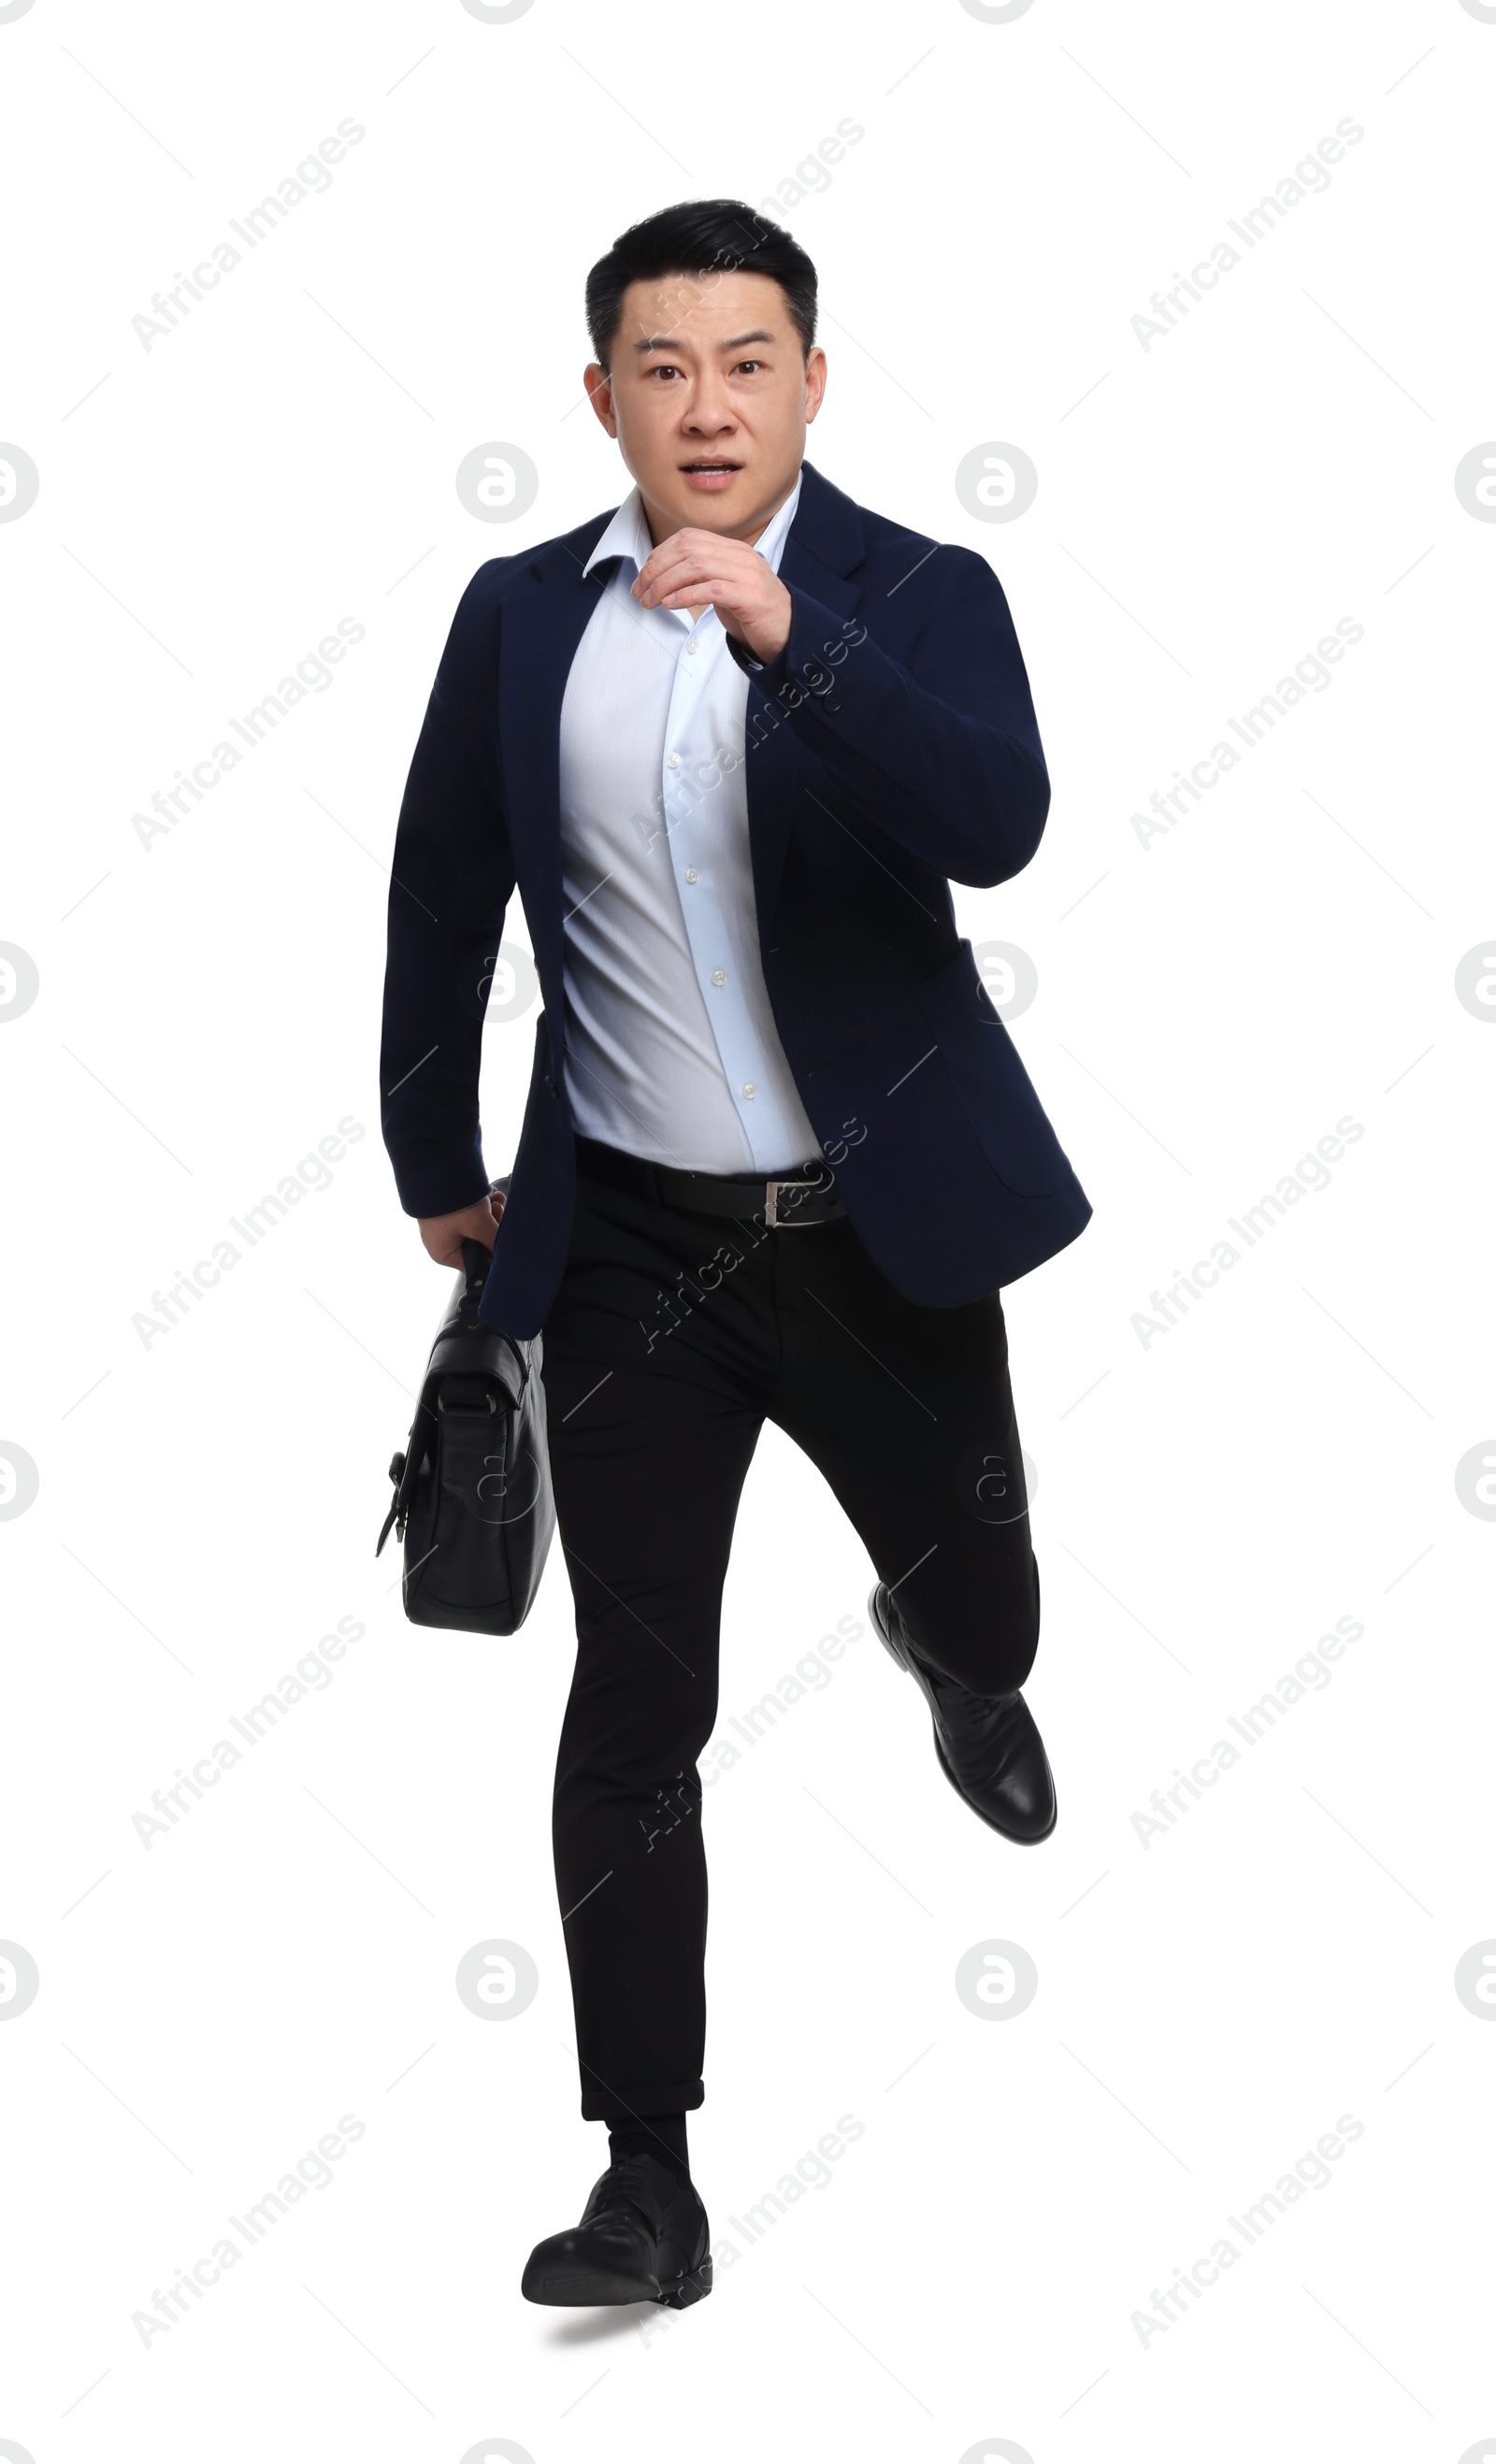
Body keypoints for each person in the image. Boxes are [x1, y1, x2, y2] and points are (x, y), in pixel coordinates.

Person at [379, 198, 1091, 2311]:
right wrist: (433, 1146)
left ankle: (950, 1656)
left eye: (748, 361)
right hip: (631, 1257)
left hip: (878, 1239)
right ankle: (647, 2177)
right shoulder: (520, 618)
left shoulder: (913, 593)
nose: (706, 406)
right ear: (599, 395)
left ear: (810, 378)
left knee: (990, 1597)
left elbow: (997, 816)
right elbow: (442, 883)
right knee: (633, 1702)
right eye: (662, 368)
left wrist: (791, 636)